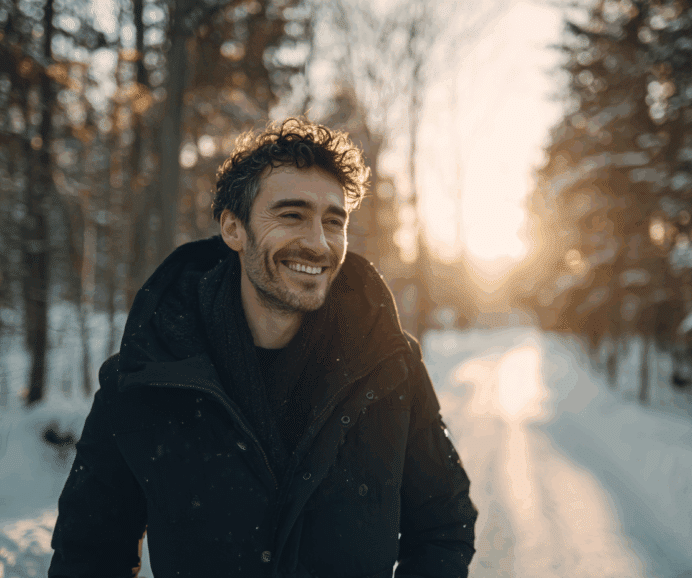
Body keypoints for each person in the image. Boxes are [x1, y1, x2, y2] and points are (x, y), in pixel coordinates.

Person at [49, 118, 477, 578]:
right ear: (234, 229)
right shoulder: (148, 377)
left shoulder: (390, 366)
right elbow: (87, 555)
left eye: (334, 221)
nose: (318, 243)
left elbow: (444, 526)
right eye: (292, 215)